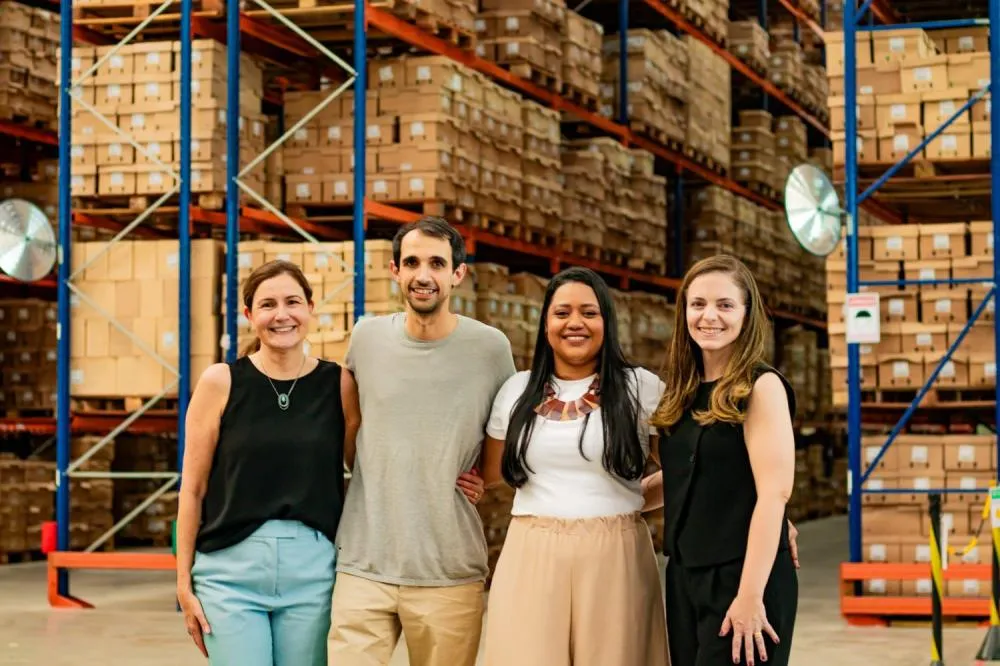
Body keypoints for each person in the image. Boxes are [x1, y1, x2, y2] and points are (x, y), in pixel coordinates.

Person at [331, 215, 517, 666]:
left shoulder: (490, 348)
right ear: (395, 270)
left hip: (448, 571)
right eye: (411, 262)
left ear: (457, 274)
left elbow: (510, 433)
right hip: (363, 563)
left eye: (437, 263)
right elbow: (349, 425)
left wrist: (487, 480)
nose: (423, 275)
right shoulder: (366, 338)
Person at [479, 266, 670, 666]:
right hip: (531, 550)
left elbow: (685, 472)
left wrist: (633, 501)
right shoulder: (516, 390)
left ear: (607, 322)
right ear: (545, 324)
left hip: (616, 553)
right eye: (562, 312)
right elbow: (490, 474)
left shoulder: (641, 387)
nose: (575, 323)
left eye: (589, 312)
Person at [175, 260, 346, 666]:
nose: (281, 314)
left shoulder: (339, 384)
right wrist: (183, 582)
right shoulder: (220, 382)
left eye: (293, 302)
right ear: (249, 315)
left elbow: (370, 468)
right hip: (228, 575)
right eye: (267, 305)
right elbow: (193, 489)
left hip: (314, 575)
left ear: (311, 309)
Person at [650, 254, 798, 666]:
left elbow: (774, 493)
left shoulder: (761, 386)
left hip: (742, 576)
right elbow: (683, 477)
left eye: (725, 305)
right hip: (684, 575)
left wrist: (750, 595)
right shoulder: (683, 391)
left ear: (747, 315)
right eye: (697, 304)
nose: (709, 316)